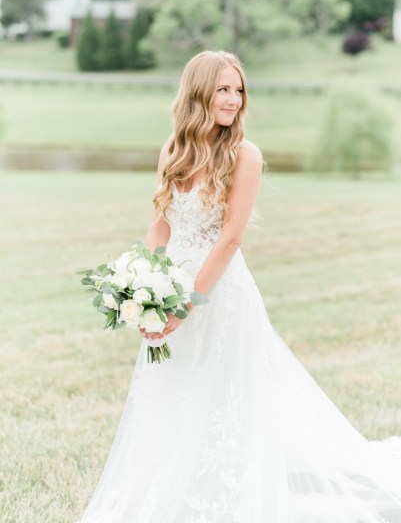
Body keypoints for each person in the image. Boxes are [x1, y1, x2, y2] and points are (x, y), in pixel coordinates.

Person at [76, 51, 401, 523]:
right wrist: (144, 291)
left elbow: (230, 239)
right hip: (169, 292)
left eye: (239, 90)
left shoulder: (245, 155)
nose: (233, 99)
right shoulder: (174, 149)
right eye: (223, 89)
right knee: (169, 391)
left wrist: (185, 306)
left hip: (221, 296)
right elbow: (159, 226)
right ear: (198, 92)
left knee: (224, 395)